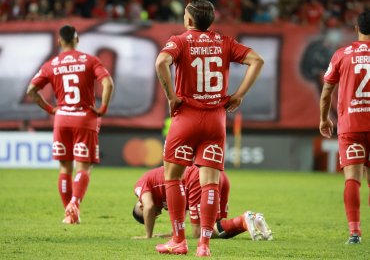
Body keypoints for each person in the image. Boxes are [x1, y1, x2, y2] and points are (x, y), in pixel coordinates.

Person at [155, 0, 264, 256]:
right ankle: (204, 245)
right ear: (211, 21)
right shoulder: (224, 42)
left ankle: (179, 240)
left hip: (187, 118)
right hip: (216, 118)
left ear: (189, 20)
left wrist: (171, 96)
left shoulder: (180, 40)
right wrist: (239, 95)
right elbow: (257, 60)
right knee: (210, 184)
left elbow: (161, 63)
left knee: (173, 178)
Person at [27, 25, 114, 224]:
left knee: (64, 169)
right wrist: (104, 108)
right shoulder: (90, 60)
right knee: (83, 167)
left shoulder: (52, 64)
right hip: (85, 118)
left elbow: (31, 90)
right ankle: (74, 204)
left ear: (59, 41)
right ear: (77, 40)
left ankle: (69, 215)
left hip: (62, 119)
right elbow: (108, 83)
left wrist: (51, 109)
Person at [319, 10, 370, 245]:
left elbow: (327, 92)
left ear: (357, 27)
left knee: (353, 179)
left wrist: (324, 119)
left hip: (350, 126)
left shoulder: (342, 54)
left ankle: (354, 233)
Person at [132, 165, 273, 241]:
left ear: (141, 206)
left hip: (196, 179)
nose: (157, 213)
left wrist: (148, 236)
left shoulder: (141, 187)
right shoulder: (160, 197)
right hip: (215, 175)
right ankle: (252, 221)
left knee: (199, 232)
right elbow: (179, 205)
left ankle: (243, 220)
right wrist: (174, 232)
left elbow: (149, 207)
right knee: (214, 227)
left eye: (154, 214)